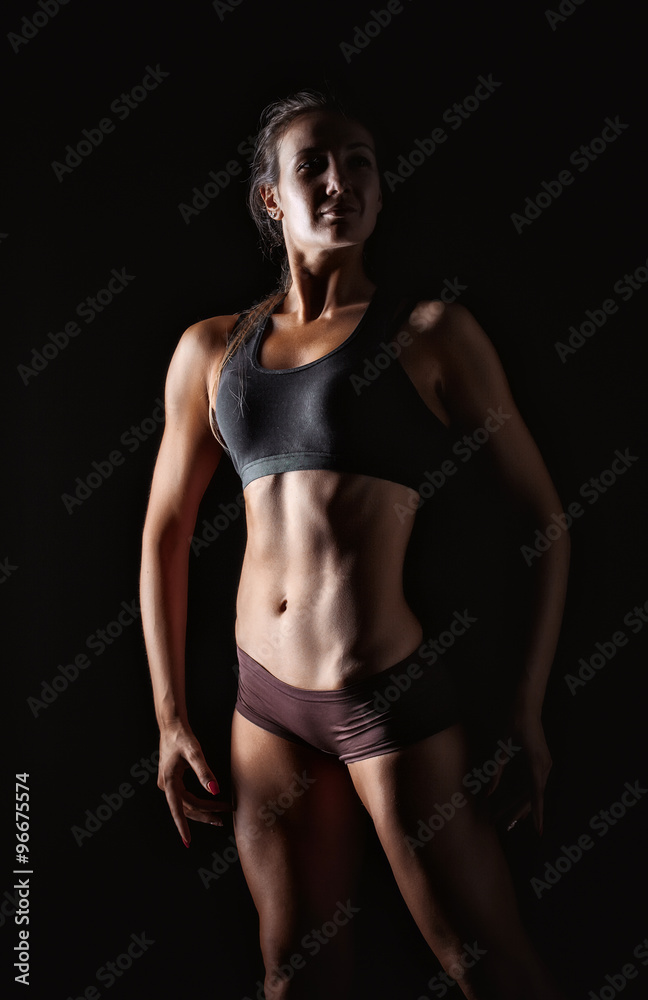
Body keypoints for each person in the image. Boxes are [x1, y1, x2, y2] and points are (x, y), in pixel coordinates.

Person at [140, 89, 571, 999]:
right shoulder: (213, 351)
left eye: (363, 161)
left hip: (387, 699)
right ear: (271, 197)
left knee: (484, 965)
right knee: (293, 977)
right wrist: (171, 718)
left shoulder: (430, 336)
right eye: (315, 165)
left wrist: (527, 710)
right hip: (263, 709)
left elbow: (543, 520)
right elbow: (166, 532)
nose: (343, 182)